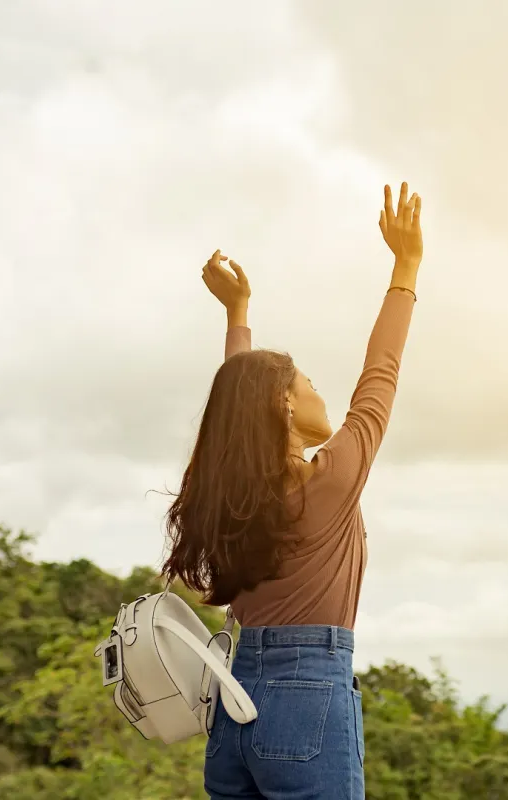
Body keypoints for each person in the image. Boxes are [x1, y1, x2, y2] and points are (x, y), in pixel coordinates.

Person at [161, 183, 423, 799]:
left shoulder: (233, 499)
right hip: (309, 692)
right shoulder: (326, 482)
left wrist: (238, 316)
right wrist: (406, 264)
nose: (318, 390)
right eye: (307, 381)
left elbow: (236, 409)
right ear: (283, 404)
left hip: (233, 699)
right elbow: (380, 371)